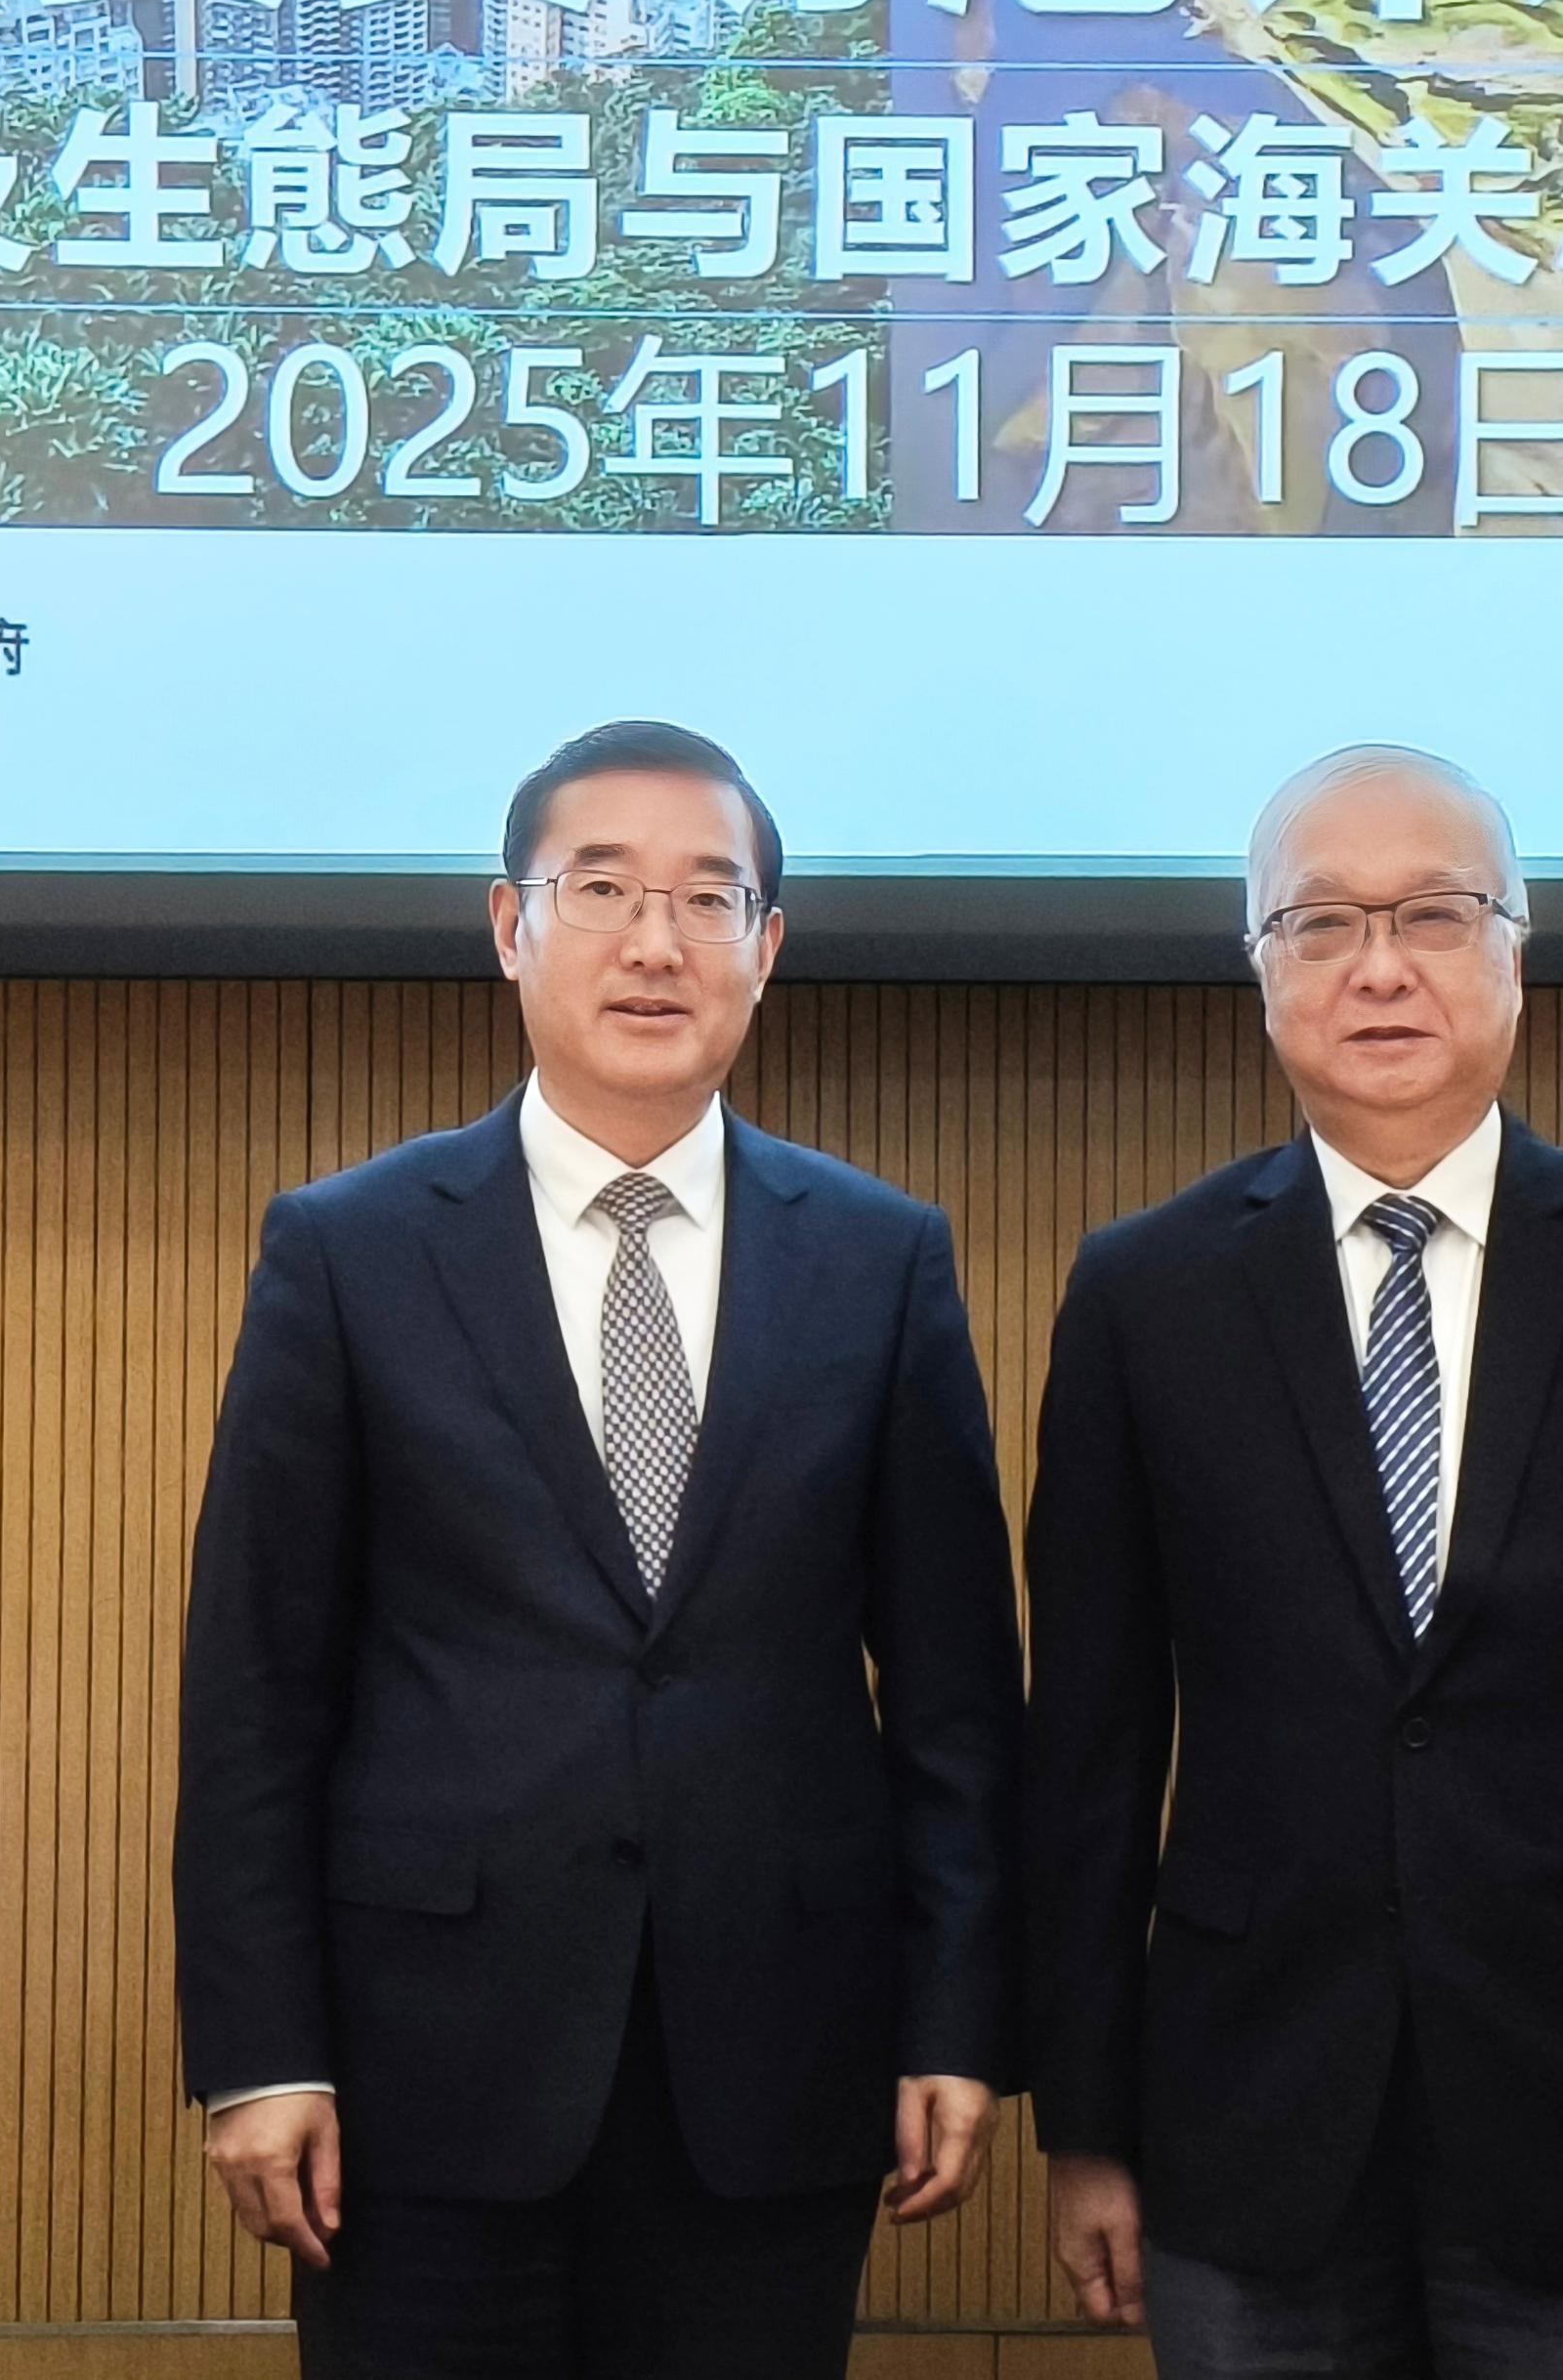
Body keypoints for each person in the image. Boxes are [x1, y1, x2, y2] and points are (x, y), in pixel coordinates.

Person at [1022, 745, 1563, 2378]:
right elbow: (1085, 1741)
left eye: (1431, 914)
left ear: (1514, 944)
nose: (1378, 965)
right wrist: (1084, 2120)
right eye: (1321, 923)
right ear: (1259, 968)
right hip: (1246, 2113)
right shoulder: (1144, 1297)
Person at [176, 719, 1024, 2379]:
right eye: (605, 889)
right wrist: (260, 2049)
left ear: (766, 951)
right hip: (424, 2073)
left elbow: (953, 1700)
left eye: (711, 899)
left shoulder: (876, 1259)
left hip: (778, 2060)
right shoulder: (349, 1253)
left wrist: (957, 2018)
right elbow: (255, 1690)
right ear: (512, 927)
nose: (656, 941)